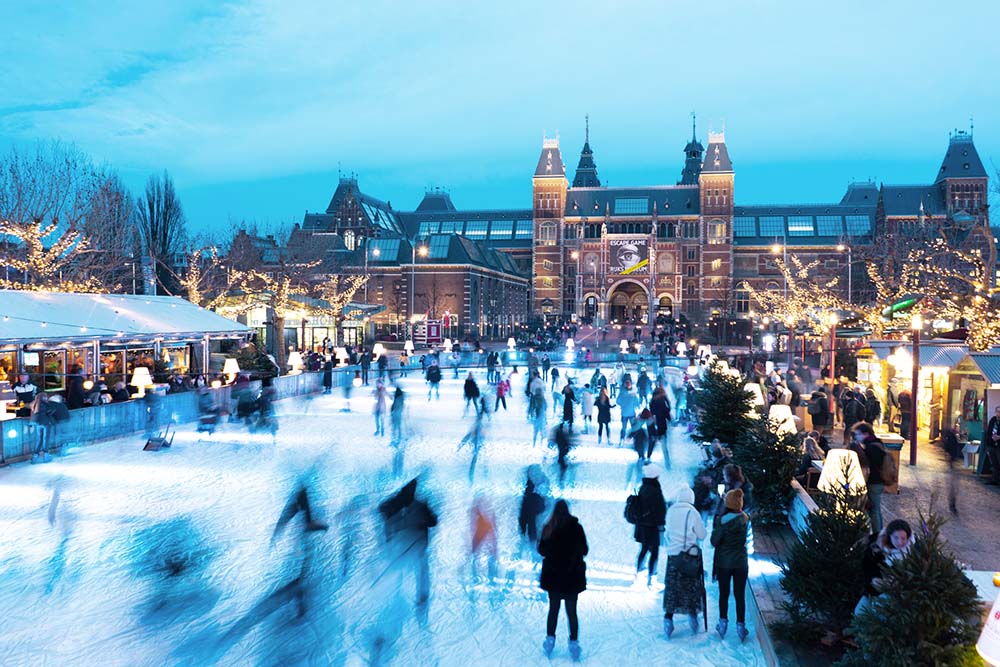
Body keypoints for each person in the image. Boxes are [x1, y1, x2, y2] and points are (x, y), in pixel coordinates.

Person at [378, 478, 438, 617]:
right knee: (421, 571)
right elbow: (433, 522)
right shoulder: (420, 505)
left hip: (400, 545)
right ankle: (421, 600)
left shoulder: (393, 503)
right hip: (416, 544)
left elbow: (381, 510)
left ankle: (398, 595)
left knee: (402, 569)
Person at [538, 499, 588, 661]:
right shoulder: (576, 528)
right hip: (572, 577)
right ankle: (573, 642)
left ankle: (550, 639)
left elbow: (541, 550)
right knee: (571, 612)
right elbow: (584, 549)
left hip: (554, 578)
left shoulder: (549, 528)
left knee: (554, 610)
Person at [663, 484, 707, 638]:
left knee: (672, 588)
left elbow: (667, 533)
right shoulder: (693, 512)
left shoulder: (671, 511)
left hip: (673, 556)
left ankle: (668, 619)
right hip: (689, 557)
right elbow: (701, 535)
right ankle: (693, 617)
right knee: (691, 587)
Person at [712, 488, 750, 642]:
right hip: (741, 562)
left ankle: (723, 624)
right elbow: (749, 540)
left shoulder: (722, 521)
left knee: (724, 594)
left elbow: (714, 541)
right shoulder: (746, 518)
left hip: (724, 563)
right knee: (740, 595)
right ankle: (741, 626)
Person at [855, 519, 913, 616]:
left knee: (877, 613)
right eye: (896, 538)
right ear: (889, 536)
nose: (900, 542)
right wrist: (874, 579)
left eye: (903, 538)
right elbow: (867, 566)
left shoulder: (911, 551)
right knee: (859, 612)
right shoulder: (876, 545)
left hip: (894, 593)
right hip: (873, 589)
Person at [633, 463, 667, 589]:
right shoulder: (654, 489)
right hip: (652, 526)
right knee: (654, 551)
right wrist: (661, 524)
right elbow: (658, 509)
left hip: (643, 525)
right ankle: (651, 578)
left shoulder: (644, 487)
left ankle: (638, 572)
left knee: (644, 549)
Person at [853, 422, 886, 533]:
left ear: (865, 434)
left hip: (874, 483)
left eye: (858, 434)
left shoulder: (872, 447)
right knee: (876, 509)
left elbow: (869, 465)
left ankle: (878, 534)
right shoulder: (876, 443)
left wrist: (860, 451)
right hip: (878, 482)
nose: (856, 437)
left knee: (874, 510)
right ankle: (879, 532)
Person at [940, 423, 962, 513]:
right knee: (952, 486)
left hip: (952, 463)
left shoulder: (950, 437)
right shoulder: (951, 437)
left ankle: (953, 504)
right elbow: (950, 448)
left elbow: (947, 448)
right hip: (952, 464)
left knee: (953, 486)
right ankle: (952, 504)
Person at [616, 380, 639, 446]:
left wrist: (623, 405)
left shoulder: (622, 393)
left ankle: (621, 441)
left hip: (624, 413)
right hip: (632, 413)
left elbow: (618, 401)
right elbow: (637, 404)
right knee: (634, 427)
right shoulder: (633, 394)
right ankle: (635, 441)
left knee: (623, 428)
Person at [986, 405, 1000, 486]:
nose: (998, 413)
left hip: (999, 446)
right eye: (997, 412)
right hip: (991, 445)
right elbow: (989, 431)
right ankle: (994, 480)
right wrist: (988, 444)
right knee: (994, 464)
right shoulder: (993, 420)